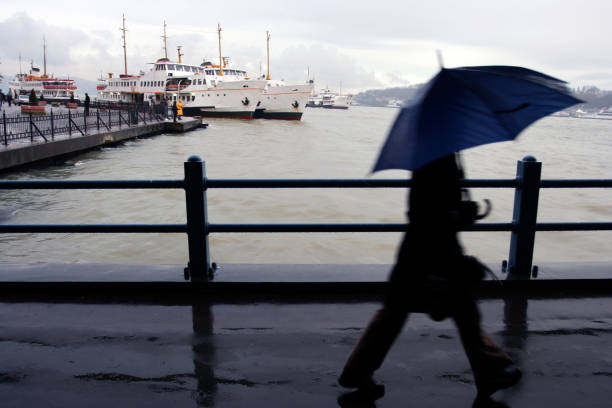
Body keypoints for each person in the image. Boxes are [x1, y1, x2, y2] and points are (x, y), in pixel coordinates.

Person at [338, 154, 521, 401]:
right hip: (430, 252)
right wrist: (459, 214)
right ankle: (491, 369)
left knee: (398, 312)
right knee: (460, 310)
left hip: (420, 252)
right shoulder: (438, 159)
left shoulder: (438, 155)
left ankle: (357, 372)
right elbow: (425, 212)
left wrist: (458, 213)